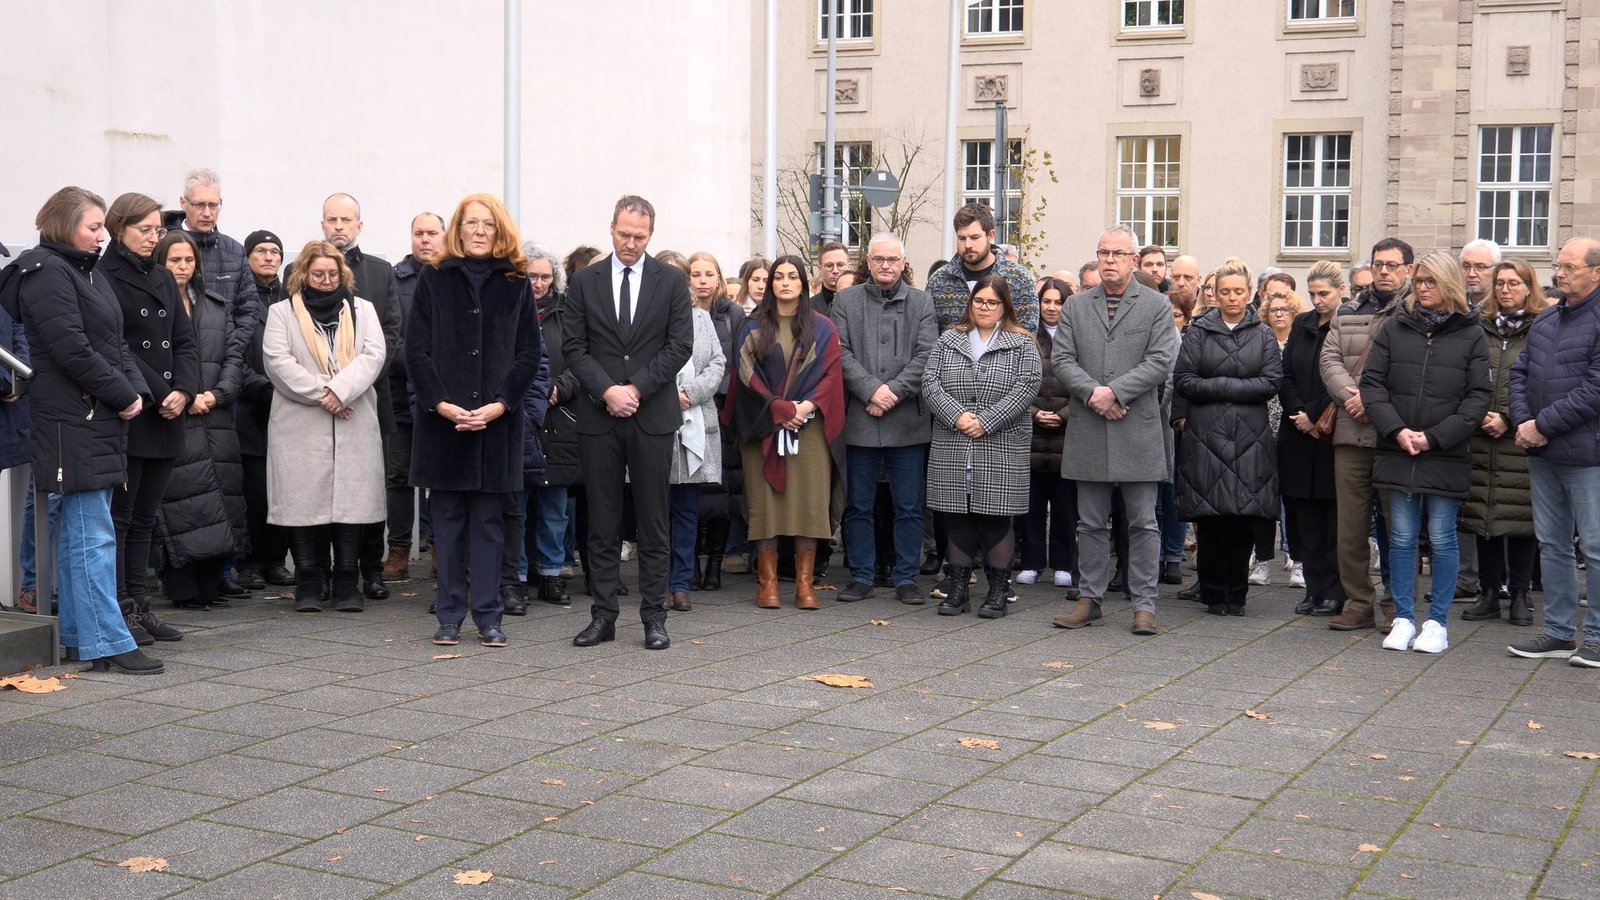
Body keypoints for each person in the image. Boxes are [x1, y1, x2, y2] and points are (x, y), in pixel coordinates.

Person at [6, 187, 161, 673]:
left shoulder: (81, 269)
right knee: (91, 534)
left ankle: (84, 636)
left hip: (94, 413)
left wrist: (137, 392)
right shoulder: (46, 271)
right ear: (63, 224)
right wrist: (123, 394)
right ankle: (107, 640)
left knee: (86, 532)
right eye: (93, 227)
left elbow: (114, 344)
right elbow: (71, 349)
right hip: (72, 417)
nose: (101, 236)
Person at [406, 195, 544, 647]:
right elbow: (417, 350)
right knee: (445, 525)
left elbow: (529, 353)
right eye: (471, 223)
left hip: (497, 425)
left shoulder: (516, 281)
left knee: (489, 525)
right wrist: (440, 403)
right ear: (458, 230)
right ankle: (448, 614)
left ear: (499, 229)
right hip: (443, 425)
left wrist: (501, 404)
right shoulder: (434, 278)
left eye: (488, 223)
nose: (479, 231)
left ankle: (488, 615)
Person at [564, 196, 693, 650]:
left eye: (639, 236)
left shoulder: (673, 281)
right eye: (624, 234)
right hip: (599, 418)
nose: (630, 243)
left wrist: (635, 388)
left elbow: (680, 346)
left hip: (651, 415)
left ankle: (654, 617)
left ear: (651, 234)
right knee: (602, 520)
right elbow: (574, 347)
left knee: (654, 520)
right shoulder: (584, 282)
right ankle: (603, 616)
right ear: (611, 228)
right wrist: (607, 391)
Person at [1051, 226, 1179, 635]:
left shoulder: (1157, 306)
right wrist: (1095, 394)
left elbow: (1161, 361)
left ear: (1134, 261)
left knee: (1143, 522)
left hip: (1136, 427)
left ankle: (1144, 604)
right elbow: (1062, 360)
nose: (1109, 260)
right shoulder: (1075, 306)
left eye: (1118, 253)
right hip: (1090, 424)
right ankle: (1090, 599)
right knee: (1089, 523)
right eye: (1103, 252)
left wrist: (1117, 393)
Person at [1363, 252, 1491, 653]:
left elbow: (1477, 397)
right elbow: (1372, 384)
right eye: (1419, 280)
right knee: (1400, 537)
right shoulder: (1394, 328)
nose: (1422, 287)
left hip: (1444, 451)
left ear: (1449, 284)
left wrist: (1433, 437)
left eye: (1431, 281)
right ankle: (1402, 617)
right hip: (1398, 448)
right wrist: (1398, 431)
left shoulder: (1471, 334)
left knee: (1441, 536)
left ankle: (1437, 622)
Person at [263, 241, 387, 614]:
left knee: (352, 502)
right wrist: (326, 393)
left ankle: (348, 580)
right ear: (303, 274)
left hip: (354, 419)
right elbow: (277, 361)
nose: (327, 280)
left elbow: (374, 354)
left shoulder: (362, 310)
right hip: (299, 422)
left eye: (333, 274)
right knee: (302, 503)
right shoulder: (281, 313)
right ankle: (308, 580)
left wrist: (342, 390)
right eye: (318, 274)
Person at [100, 192, 199, 645]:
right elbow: (117, 344)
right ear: (119, 227)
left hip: (167, 412)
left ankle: (141, 606)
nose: (152, 238)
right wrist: (163, 393)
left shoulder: (161, 276)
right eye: (144, 230)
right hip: (135, 410)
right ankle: (121, 609)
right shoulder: (103, 275)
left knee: (146, 518)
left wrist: (184, 388)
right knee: (121, 519)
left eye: (157, 230)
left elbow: (185, 340)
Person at [725, 255, 845, 610]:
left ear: (804, 283)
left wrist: (803, 408)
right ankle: (768, 585)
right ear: (770, 283)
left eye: (793, 276)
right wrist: (778, 408)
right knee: (765, 507)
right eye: (779, 277)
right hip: (763, 426)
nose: (785, 283)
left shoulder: (823, 327)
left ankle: (805, 585)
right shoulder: (751, 327)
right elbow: (744, 374)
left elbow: (831, 375)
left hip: (810, 428)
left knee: (809, 502)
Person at [924, 275, 1041, 617]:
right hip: (954, 440)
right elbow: (930, 383)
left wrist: (986, 420)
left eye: (992, 302)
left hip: (1001, 442)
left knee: (995, 518)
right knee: (958, 516)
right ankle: (958, 589)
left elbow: (1027, 386)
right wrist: (957, 416)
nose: (984, 308)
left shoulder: (1022, 344)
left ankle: (998, 591)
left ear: (1005, 306)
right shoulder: (949, 340)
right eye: (979, 301)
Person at [1508, 237, 1600, 666]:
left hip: (1586, 454)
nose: (1559, 274)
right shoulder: (1547, 319)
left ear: (1596, 272)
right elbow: (1520, 373)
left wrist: (1540, 426)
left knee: (1595, 547)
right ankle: (1560, 632)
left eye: (1569, 267)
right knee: (1554, 543)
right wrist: (1525, 423)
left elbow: (1594, 391)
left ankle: (1597, 636)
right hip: (1542, 452)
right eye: (1558, 266)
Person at [832, 233, 937, 604]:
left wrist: (891, 392)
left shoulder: (923, 303)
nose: (886, 266)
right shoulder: (845, 301)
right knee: (858, 504)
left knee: (908, 505)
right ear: (868, 262)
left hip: (907, 419)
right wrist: (870, 390)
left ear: (904, 262)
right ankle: (861, 574)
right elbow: (839, 352)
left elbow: (927, 355)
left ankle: (906, 577)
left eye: (893, 260)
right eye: (879, 259)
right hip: (860, 418)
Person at [1174, 262, 1282, 616]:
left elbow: (1270, 382)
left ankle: (1237, 594)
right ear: (1215, 294)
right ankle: (1212, 592)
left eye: (1238, 291)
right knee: (1211, 520)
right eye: (1225, 291)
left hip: (1250, 435)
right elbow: (1185, 379)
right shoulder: (1198, 332)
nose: (1232, 297)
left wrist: (1217, 386)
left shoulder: (1263, 334)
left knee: (1242, 518)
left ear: (1249, 293)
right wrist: (1232, 388)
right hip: (1206, 434)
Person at [1320, 238, 1413, 632]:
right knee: (1352, 526)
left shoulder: (1418, 312)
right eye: (1379, 265)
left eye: (1393, 265)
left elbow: (1416, 370)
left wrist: (1372, 403)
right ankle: (1360, 602)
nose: (1385, 272)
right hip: (1350, 431)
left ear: (1409, 268)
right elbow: (1329, 360)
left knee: (1400, 528)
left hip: (1395, 436)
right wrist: (1349, 395)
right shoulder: (1349, 310)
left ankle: (1399, 604)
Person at [315, 193, 404, 602]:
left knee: (370, 487)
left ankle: (371, 569)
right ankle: (322, 573)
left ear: (359, 226)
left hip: (369, 401)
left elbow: (390, 337)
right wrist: (328, 390)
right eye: (331, 219)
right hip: (316, 404)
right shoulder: (299, 272)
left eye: (346, 219)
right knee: (319, 489)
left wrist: (352, 386)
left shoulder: (381, 272)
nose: (338, 226)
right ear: (322, 224)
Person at [151, 232, 246, 611]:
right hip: (174, 414)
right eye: (174, 260)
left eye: (188, 260)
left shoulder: (215, 306)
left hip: (215, 416)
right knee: (181, 504)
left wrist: (216, 394)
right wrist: (185, 394)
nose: (182, 267)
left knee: (221, 501)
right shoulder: (152, 308)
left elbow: (234, 358)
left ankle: (211, 584)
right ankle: (182, 588)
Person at [1460, 258, 1546, 625]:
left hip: (1522, 437)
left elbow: (1543, 382)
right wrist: (1479, 413)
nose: (1506, 290)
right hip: (1481, 433)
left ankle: (1521, 595)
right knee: (1484, 516)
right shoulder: (1478, 327)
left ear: (1529, 287)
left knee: (1520, 519)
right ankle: (1489, 593)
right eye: (1501, 283)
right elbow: (1467, 375)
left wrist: (1510, 418)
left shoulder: (1541, 328)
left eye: (1514, 283)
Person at [1279, 260, 1347, 617]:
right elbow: (1286, 372)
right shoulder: (1302, 324)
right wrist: (1298, 413)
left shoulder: (1348, 325)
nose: (1318, 300)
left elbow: (1344, 378)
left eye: (1325, 294)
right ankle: (1314, 589)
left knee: (1333, 520)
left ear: (1341, 290)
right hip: (1297, 432)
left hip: (1331, 433)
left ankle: (1336, 590)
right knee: (1304, 519)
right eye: (1313, 294)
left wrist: (1314, 415)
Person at [385, 211, 447, 582]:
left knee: (439, 477)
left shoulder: (453, 276)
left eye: (432, 233)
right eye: (419, 233)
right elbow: (388, 340)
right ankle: (398, 549)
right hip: (399, 394)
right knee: (398, 476)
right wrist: (422, 364)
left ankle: (442, 547)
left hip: (443, 397)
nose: (425, 239)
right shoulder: (394, 280)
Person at [234, 229, 293, 589]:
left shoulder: (292, 299)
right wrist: (258, 385)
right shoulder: (240, 300)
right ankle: (250, 562)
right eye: (261, 251)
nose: (269, 257)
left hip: (289, 408)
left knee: (284, 488)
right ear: (247, 257)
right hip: (251, 409)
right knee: (253, 491)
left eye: (275, 251)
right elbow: (233, 354)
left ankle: (276, 560)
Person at [663, 290, 727, 611]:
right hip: (656, 423)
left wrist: (689, 393)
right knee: (656, 513)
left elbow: (717, 363)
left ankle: (681, 584)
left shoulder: (701, 319)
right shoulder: (644, 317)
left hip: (695, 420)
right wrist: (665, 395)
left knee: (687, 511)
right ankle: (659, 581)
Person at [685, 251, 745, 590]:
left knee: (721, 496)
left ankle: (716, 564)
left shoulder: (733, 314)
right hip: (687, 410)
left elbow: (735, 362)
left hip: (724, 411)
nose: (703, 280)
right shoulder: (680, 313)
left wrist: (715, 393)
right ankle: (690, 562)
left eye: (709, 273)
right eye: (696, 274)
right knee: (691, 491)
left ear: (719, 278)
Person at [1019, 278, 1077, 590]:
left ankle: (1064, 563)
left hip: (1067, 436)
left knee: (1066, 506)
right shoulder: (1027, 339)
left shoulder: (1077, 338)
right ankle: (1031, 562)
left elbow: (1084, 385)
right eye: (1047, 301)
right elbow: (1016, 383)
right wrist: (1033, 413)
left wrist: (1063, 414)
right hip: (1031, 434)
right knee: (1032, 505)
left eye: (1059, 302)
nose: (1052, 307)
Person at [1248, 287, 1306, 587]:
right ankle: (1262, 561)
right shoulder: (1260, 341)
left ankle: (1298, 561)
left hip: (1292, 427)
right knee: (1262, 501)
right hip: (1261, 428)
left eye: (1285, 309)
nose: (1280, 314)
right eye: (1274, 310)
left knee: (1293, 501)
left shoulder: (1300, 342)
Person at [926, 203, 1039, 332]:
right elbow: (928, 335)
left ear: (990, 236)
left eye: (975, 238)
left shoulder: (1019, 279)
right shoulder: (939, 281)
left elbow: (1028, 333)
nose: (968, 245)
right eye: (962, 238)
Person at [161, 168, 249, 309]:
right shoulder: (160, 245)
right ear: (183, 202)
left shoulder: (236, 251)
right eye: (200, 205)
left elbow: (248, 308)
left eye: (213, 205)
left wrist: (232, 332)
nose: (207, 213)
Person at [810, 241, 851, 315]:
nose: (835, 271)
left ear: (848, 267)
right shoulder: (808, 307)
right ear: (820, 269)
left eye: (840, 265)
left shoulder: (862, 302)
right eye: (829, 266)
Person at [1460, 239, 1502, 310]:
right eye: (1466, 266)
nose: (1471, 274)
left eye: (1480, 267)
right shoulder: (1451, 306)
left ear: (1496, 270)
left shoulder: (1505, 307)